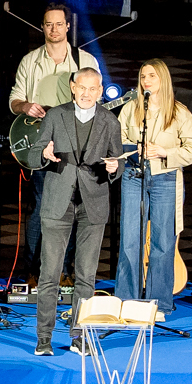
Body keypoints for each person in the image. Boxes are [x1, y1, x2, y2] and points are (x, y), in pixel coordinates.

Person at [8, 4, 98, 296]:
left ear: (68, 26)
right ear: (42, 27)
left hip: (75, 146)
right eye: (49, 24)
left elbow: (94, 101)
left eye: (59, 24)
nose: (54, 29)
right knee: (42, 207)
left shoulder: (85, 60)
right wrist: (25, 106)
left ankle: (64, 271)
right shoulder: (30, 61)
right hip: (41, 142)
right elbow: (14, 99)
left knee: (71, 207)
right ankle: (35, 271)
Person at [34, 67, 124, 355]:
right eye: (82, 88)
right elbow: (35, 151)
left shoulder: (110, 121)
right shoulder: (55, 115)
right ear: (73, 87)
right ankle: (44, 339)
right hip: (57, 201)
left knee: (86, 276)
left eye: (93, 89)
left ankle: (79, 337)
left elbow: (118, 160)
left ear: (100, 91)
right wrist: (44, 154)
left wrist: (115, 167)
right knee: (50, 274)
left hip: (93, 202)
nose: (87, 93)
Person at [114, 60, 192, 319]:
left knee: (163, 243)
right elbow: (117, 139)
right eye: (143, 76)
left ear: (163, 79)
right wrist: (133, 149)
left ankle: (160, 304)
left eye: (152, 76)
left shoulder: (178, 112)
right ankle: (127, 301)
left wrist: (165, 152)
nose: (146, 80)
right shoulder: (131, 109)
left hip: (166, 178)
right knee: (130, 240)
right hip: (134, 175)